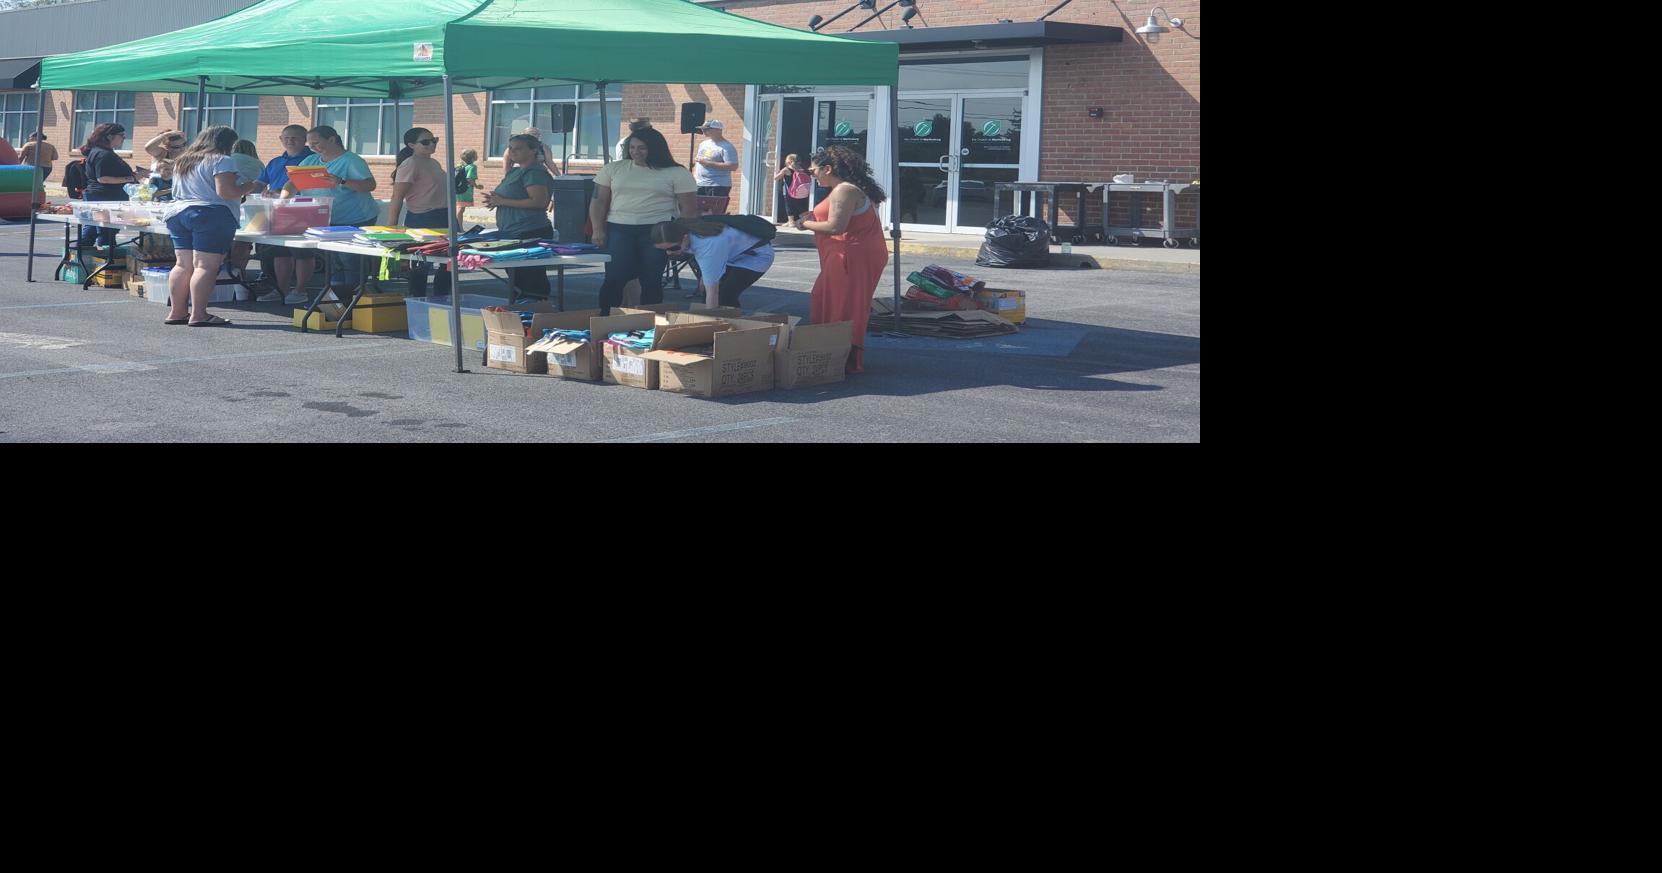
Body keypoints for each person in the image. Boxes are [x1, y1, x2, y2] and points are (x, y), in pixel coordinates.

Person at [792, 146, 888, 375]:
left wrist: (803, 224)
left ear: (827, 168)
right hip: (851, 253)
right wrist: (814, 218)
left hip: (851, 255)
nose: (812, 175)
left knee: (842, 305)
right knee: (830, 299)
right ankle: (832, 355)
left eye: (813, 171)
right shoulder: (845, 189)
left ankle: (839, 358)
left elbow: (836, 226)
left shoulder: (844, 190)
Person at [588, 126, 697, 315]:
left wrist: (681, 237)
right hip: (619, 228)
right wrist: (598, 229)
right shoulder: (613, 168)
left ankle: (650, 322)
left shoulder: (677, 172)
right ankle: (605, 319)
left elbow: (688, 209)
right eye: (632, 147)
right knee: (615, 277)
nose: (635, 152)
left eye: (642, 148)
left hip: (657, 230)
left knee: (651, 279)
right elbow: (598, 201)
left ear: (655, 148)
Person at [162, 125, 261, 327]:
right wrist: (252, 185)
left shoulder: (183, 160)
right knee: (205, 266)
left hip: (178, 212)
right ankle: (199, 314)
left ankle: (177, 312)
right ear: (227, 143)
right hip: (210, 213)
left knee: (182, 265)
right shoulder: (222, 160)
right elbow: (227, 192)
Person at [282, 125, 378, 293]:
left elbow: (370, 185)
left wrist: (342, 181)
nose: (312, 147)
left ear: (332, 139)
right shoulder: (311, 160)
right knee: (333, 259)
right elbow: (292, 183)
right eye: (310, 144)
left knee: (350, 258)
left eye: (316, 143)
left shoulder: (351, 160)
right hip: (325, 218)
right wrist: (283, 202)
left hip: (355, 217)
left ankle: (355, 294)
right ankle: (338, 295)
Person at [481, 133, 556, 302]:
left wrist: (502, 201)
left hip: (529, 231)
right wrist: (495, 200)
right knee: (517, 279)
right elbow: (513, 195)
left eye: (518, 148)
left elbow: (539, 202)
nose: (513, 151)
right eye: (510, 148)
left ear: (533, 150)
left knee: (530, 279)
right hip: (511, 231)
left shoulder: (534, 172)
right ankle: (522, 310)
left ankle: (536, 311)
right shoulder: (514, 171)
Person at [651, 218, 774, 310]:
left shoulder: (708, 245)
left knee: (725, 296)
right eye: (662, 250)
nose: (669, 253)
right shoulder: (685, 229)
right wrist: (703, 278)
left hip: (755, 256)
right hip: (730, 253)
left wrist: (709, 321)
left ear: (685, 237)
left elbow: (713, 292)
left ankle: (730, 328)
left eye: (673, 248)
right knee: (706, 290)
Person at [254, 124, 316, 304]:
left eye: (295, 137)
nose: (290, 141)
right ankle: (281, 290)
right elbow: (259, 183)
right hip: (277, 210)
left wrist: (280, 191)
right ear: (281, 139)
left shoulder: (312, 160)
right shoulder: (275, 161)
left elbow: (309, 185)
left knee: (302, 252)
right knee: (280, 252)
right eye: (286, 138)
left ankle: (300, 291)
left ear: (305, 140)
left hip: (302, 210)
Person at [387, 127, 451, 298]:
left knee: (450, 263)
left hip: (444, 216)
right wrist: (392, 227)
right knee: (421, 265)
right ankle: (418, 301)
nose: (432, 144)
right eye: (425, 142)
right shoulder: (410, 164)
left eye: (434, 140)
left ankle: (442, 300)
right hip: (423, 218)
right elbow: (397, 196)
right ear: (411, 145)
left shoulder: (433, 162)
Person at [77, 122, 135, 250]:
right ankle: (106, 258)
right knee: (106, 231)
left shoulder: (103, 152)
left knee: (93, 229)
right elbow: (103, 178)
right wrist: (131, 178)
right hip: (104, 197)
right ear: (109, 136)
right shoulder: (103, 154)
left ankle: (80, 256)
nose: (124, 138)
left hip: (100, 196)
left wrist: (133, 175)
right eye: (121, 135)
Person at [693, 120, 738, 197]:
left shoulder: (727, 147)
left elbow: (733, 166)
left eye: (707, 129)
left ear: (718, 130)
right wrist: (694, 177)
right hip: (699, 184)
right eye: (703, 129)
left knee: (714, 205)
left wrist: (707, 163)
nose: (704, 131)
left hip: (717, 186)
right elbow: (698, 162)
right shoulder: (703, 144)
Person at [144, 128, 187, 194]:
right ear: (167, 147)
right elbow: (148, 148)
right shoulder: (162, 153)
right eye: (177, 147)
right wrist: (165, 135)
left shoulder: (185, 156)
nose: (182, 149)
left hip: (176, 194)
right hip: (155, 191)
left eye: (184, 144)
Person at [771, 153, 811, 225]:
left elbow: (776, 178)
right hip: (800, 191)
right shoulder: (801, 169)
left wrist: (779, 172)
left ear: (789, 162)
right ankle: (807, 219)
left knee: (789, 206)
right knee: (801, 205)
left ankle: (791, 222)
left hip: (790, 192)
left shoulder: (786, 169)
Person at [454, 147, 480, 231]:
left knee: (459, 208)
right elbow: (469, 179)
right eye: (476, 155)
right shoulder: (472, 167)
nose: (477, 156)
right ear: (472, 158)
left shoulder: (459, 165)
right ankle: (459, 228)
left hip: (457, 190)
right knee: (460, 209)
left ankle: (458, 227)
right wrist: (476, 186)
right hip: (465, 191)